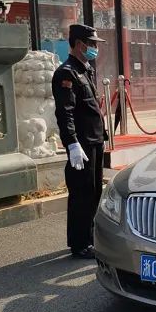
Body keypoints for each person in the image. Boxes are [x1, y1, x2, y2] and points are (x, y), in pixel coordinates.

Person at [51, 24, 108, 259]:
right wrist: (72, 143)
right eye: (91, 44)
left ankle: (90, 237)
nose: (95, 48)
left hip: (94, 141)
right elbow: (65, 112)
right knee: (81, 194)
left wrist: (102, 135)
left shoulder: (85, 70)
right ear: (78, 44)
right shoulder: (66, 73)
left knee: (94, 192)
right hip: (82, 144)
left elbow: (91, 107)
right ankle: (79, 243)